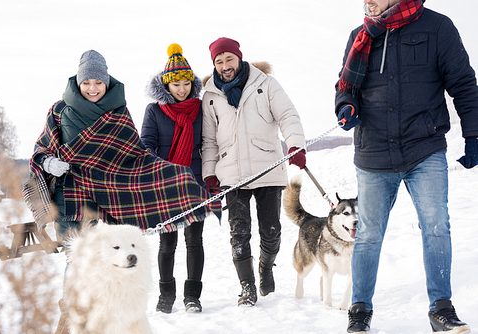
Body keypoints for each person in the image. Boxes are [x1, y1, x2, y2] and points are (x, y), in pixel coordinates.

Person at [22, 50, 220, 333]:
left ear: (106, 82)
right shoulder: (59, 110)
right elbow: (40, 149)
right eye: (87, 82)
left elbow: (134, 157)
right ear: (78, 82)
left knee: (108, 265)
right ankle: (68, 325)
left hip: (109, 201)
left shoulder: (118, 113)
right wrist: (48, 162)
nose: (92, 88)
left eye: (98, 83)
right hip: (71, 199)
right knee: (76, 262)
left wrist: (176, 179)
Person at [335, 0, 478, 333]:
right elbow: (345, 87)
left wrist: (473, 133)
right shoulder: (360, 35)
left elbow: (463, 84)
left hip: (423, 148)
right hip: (373, 152)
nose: (367, 1)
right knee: (368, 234)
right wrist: (345, 106)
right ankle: (359, 310)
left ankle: (441, 308)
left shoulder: (437, 27)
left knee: (436, 226)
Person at [202, 37, 307, 307]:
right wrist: (210, 175)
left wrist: (295, 144)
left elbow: (287, 115)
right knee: (239, 234)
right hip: (231, 173)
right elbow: (209, 140)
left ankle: (265, 267)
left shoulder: (265, 84)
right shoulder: (210, 96)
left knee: (271, 231)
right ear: (214, 64)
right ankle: (247, 287)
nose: (225, 65)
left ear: (239, 58)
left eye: (229, 59)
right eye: (219, 61)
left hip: (267, 167)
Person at [141, 43, 206, 314]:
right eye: (176, 84)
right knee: (167, 244)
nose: (182, 89)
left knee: (194, 241)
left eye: (186, 83)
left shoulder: (202, 108)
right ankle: (165, 295)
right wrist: (161, 175)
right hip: (165, 186)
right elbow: (146, 145)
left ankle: (192, 296)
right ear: (167, 85)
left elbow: (209, 142)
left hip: (194, 183)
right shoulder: (154, 111)